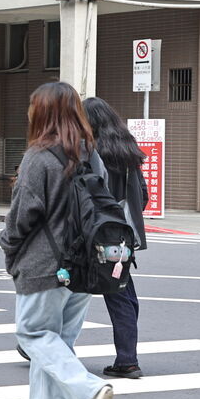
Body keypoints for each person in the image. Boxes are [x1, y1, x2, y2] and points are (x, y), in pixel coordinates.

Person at [0, 81, 114, 399]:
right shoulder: (90, 155)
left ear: (43, 113)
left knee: (33, 333)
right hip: (84, 265)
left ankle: (88, 392)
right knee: (57, 342)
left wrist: (8, 248)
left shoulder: (39, 157)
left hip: (45, 265)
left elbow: (22, 217)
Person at [84, 96, 148, 379]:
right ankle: (127, 358)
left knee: (66, 287)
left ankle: (127, 361)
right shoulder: (127, 151)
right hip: (123, 234)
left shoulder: (90, 152)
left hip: (97, 233)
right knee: (123, 292)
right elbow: (142, 196)